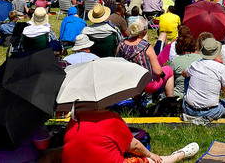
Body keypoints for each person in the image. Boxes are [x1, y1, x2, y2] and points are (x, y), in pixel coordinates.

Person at [62, 104, 198, 163]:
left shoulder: (75, 119)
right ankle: (179, 155)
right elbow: (135, 146)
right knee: (149, 160)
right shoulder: (111, 119)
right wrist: (150, 154)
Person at [183, 37, 225, 122]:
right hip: (210, 112)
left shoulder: (194, 65)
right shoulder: (220, 68)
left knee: (187, 77)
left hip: (189, 110)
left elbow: (183, 73)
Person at [117, 16, 174, 98]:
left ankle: (138, 100)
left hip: (128, 81)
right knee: (169, 70)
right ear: (144, 32)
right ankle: (170, 99)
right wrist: (161, 73)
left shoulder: (121, 44)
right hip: (146, 84)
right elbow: (158, 71)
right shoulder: (146, 47)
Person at [170, 28, 202, 100]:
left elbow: (169, 81)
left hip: (178, 96)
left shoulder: (175, 62)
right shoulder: (200, 59)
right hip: (198, 95)